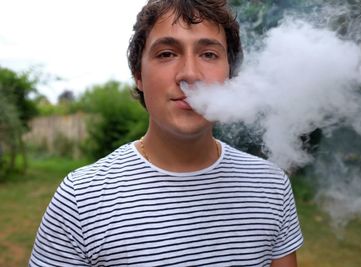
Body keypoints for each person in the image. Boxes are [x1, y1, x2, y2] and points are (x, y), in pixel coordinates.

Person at [29, 0, 303, 266]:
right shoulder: (81, 198)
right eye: (167, 54)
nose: (189, 74)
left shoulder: (271, 187)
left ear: (229, 74)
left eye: (208, 54)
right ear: (138, 75)